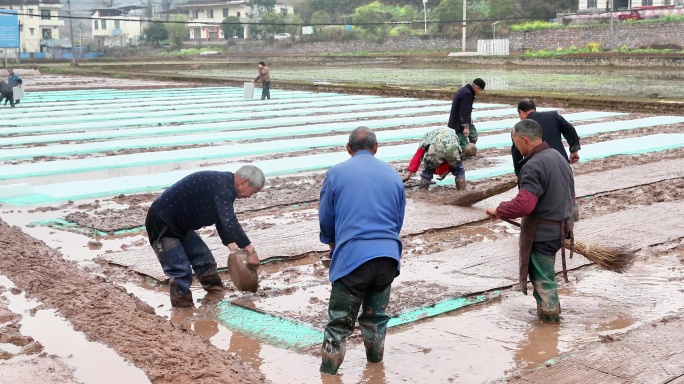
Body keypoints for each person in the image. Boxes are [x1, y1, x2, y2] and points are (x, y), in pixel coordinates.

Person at [318, 126, 406, 375]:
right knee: (375, 317)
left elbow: (326, 217)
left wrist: (332, 243)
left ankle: (328, 374)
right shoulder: (392, 175)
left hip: (353, 259)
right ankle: (376, 369)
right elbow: (398, 220)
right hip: (388, 257)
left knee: (339, 323)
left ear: (348, 149)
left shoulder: (336, 173)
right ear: (376, 148)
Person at [486, 119, 575, 324]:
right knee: (548, 279)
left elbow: (524, 205)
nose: (516, 147)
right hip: (560, 228)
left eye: (516, 143)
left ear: (524, 139)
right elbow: (571, 196)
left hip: (542, 234)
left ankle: (549, 326)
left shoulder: (533, 166)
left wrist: (499, 210)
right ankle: (551, 315)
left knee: (544, 283)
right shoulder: (558, 157)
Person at [145, 165, 265, 307]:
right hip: (162, 222)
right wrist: (250, 250)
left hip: (181, 224)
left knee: (204, 260)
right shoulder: (222, 186)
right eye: (253, 192)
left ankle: (217, 294)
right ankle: (183, 311)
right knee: (180, 272)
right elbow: (229, 220)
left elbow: (221, 220)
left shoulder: (225, 186)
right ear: (245, 182)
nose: (250, 196)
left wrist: (233, 248)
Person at [512, 99, 581, 220]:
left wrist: (519, 174)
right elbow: (570, 129)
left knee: (541, 198)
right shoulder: (552, 116)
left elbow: (516, 151)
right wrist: (574, 150)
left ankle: (544, 224)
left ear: (521, 112)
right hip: (561, 162)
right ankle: (571, 220)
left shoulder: (521, 129)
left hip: (538, 168)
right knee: (566, 191)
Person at [447, 78, 486, 188]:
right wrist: (466, 127)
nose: (479, 92)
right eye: (480, 90)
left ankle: (466, 152)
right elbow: (464, 112)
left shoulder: (463, 90)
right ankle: (462, 156)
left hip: (457, 122)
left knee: (473, 136)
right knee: (463, 142)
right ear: (476, 87)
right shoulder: (467, 94)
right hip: (458, 124)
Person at [401, 127, 465, 190]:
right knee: (459, 171)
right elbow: (453, 156)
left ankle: (422, 192)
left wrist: (408, 174)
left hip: (434, 149)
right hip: (452, 148)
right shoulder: (453, 136)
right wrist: (448, 170)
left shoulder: (426, 139)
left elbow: (418, 155)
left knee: (427, 172)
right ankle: (462, 192)